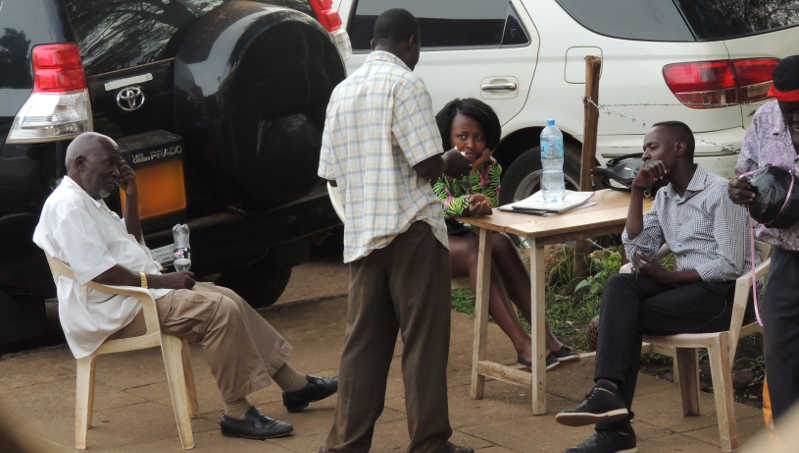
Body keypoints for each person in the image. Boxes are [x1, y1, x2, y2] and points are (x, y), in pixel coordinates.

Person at [32, 132, 338, 441]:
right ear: (79, 163)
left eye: (118, 163)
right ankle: (237, 412)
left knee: (228, 297)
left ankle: (295, 386)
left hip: (134, 295)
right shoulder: (68, 206)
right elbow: (101, 274)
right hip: (112, 310)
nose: (116, 171)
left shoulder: (87, 200)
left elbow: (130, 242)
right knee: (219, 311)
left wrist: (133, 195)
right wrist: (164, 281)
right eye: (109, 163)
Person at [316, 8, 474, 453]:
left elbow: (330, 174)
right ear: (410, 42)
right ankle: (429, 442)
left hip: (364, 233)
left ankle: (346, 444)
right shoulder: (406, 85)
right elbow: (426, 165)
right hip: (412, 230)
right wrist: (453, 160)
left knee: (362, 348)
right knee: (423, 342)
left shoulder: (343, 91)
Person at [555, 121, 751, 453]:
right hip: (685, 292)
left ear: (679, 148)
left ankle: (614, 432)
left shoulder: (720, 193)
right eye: (645, 148)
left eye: (652, 147)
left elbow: (731, 264)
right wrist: (636, 191)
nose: (645, 154)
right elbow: (636, 249)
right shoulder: (664, 197)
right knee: (621, 285)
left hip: (721, 297)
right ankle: (606, 392)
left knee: (622, 320)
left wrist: (670, 277)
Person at [432, 98, 578, 370]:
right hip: (430, 241)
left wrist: (475, 172)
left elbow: (489, 210)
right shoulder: (438, 167)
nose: (470, 145)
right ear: (447, 138)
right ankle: (523, 345)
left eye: (478, 137)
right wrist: (468, 202)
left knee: (498, 241)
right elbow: (443, 206)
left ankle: (547, 338)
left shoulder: (491, 168)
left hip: (463, 237)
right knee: (477, 252)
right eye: (462, 137)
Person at [728, 55, 799, 425]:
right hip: (789, 255)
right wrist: (742, 190)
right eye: (788, 108)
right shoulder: (766, 119)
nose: (794, 117)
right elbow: (746, 173)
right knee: (781, 348)